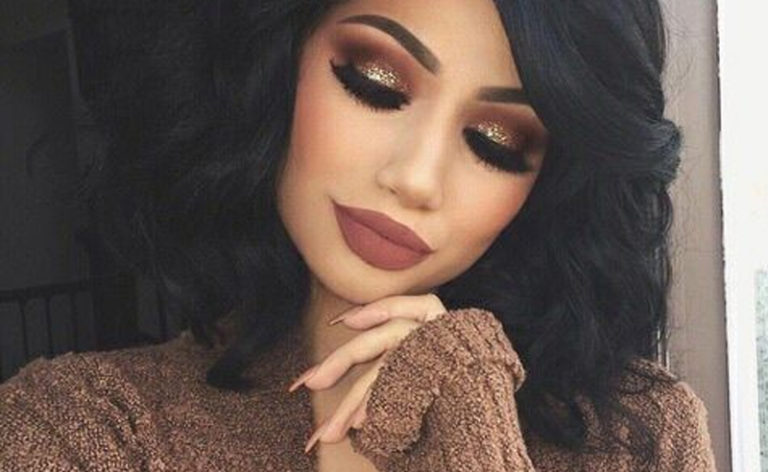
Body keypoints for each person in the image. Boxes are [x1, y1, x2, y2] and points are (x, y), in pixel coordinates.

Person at [0, 0, 717, 470]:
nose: (417, 178)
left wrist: (473, 419)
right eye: (375, 82)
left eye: (497, 141)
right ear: (273, 63)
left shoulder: (642, 436)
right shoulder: (85, 426)